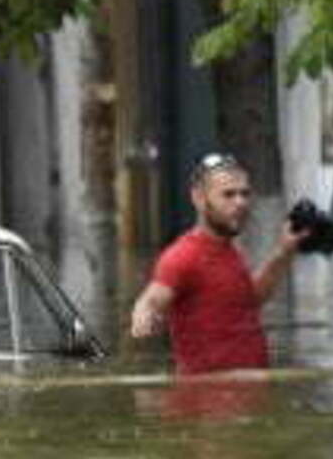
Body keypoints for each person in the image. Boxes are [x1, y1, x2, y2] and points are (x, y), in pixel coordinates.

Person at [129, 152, 309, 374]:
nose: (240, 202)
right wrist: (144, 315)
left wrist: (284, 252)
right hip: (206, 401)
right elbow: (151, 299)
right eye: (228, 195)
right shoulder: (182, 256)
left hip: (248, 397)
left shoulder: (230, 251)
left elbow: (249, 301)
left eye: (245, 194)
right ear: (198, 198)